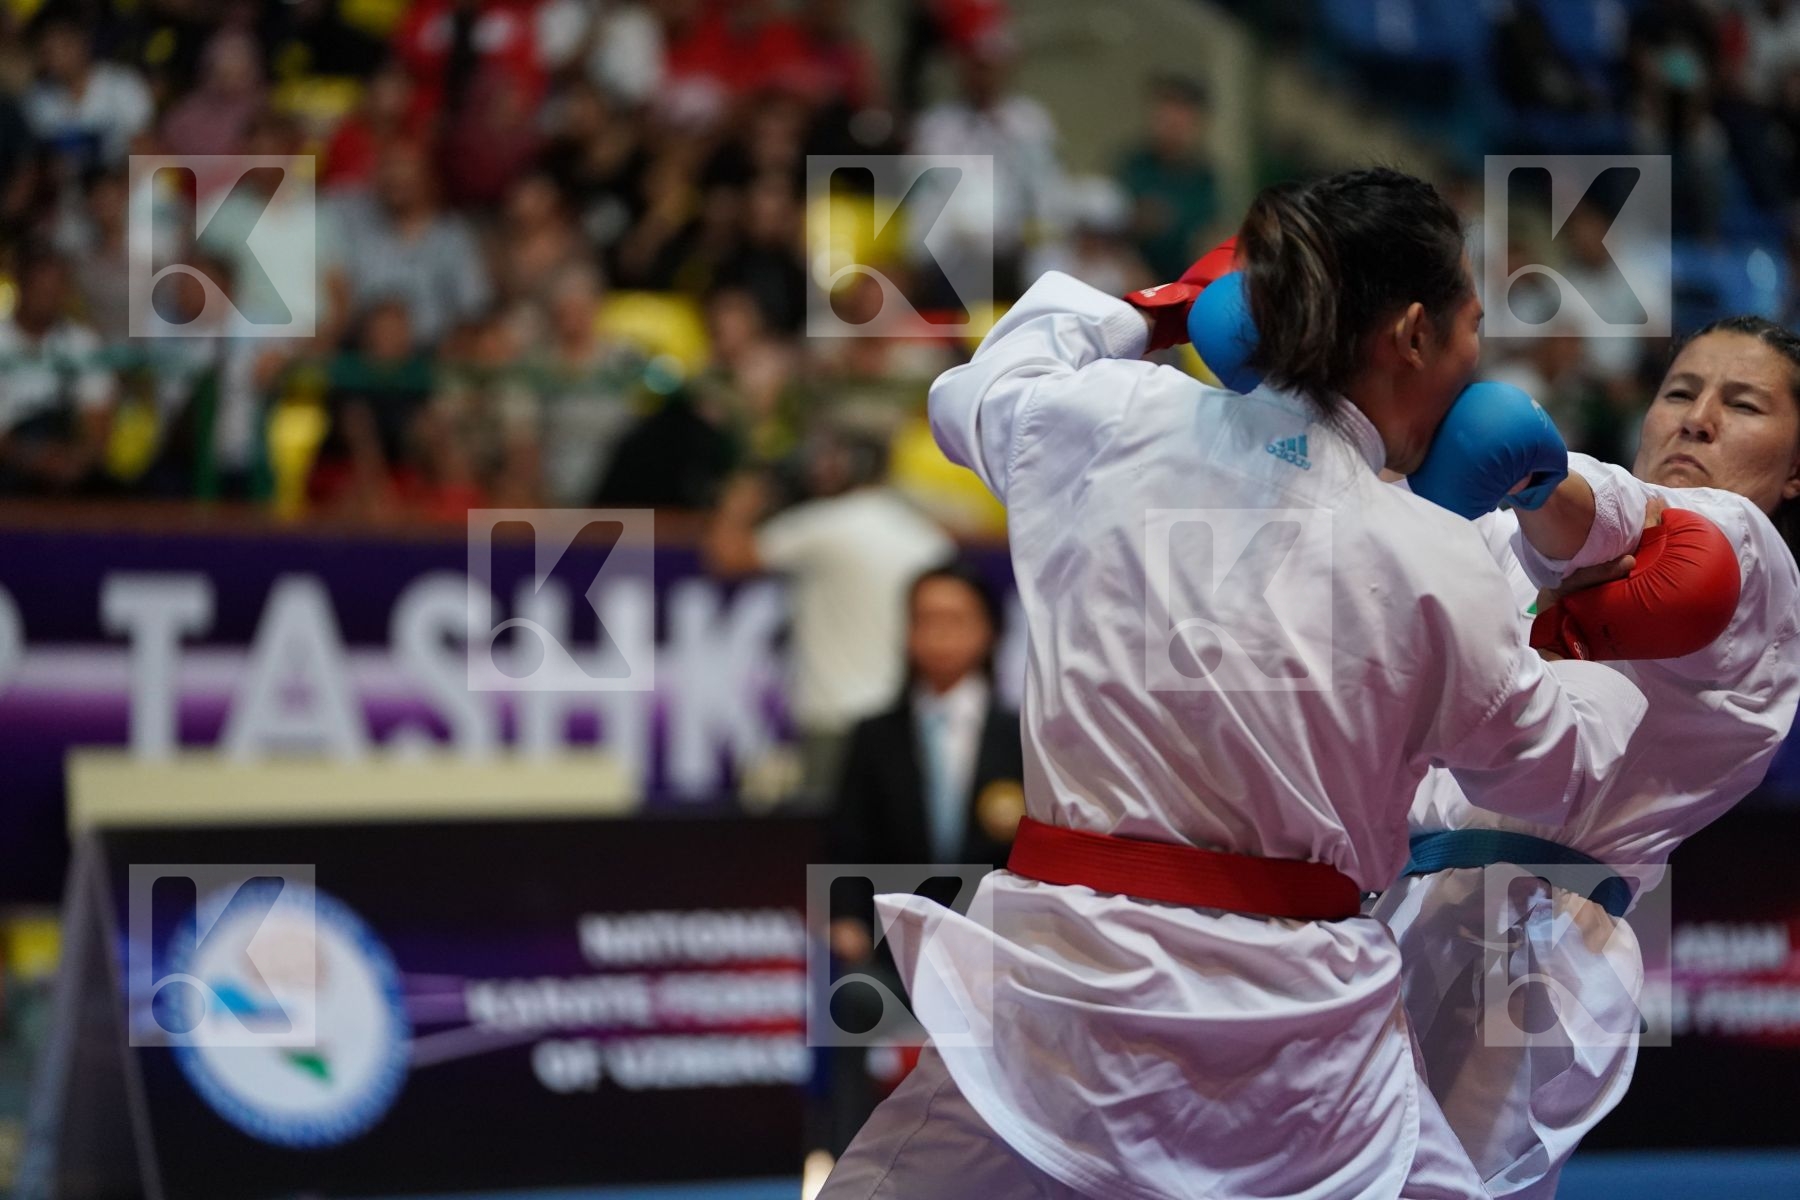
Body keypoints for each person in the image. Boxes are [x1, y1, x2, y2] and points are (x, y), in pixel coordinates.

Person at [818, 167, 1649, 1200]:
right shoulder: (1442, 561)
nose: (1480, 358)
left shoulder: (1108, 421)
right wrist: (1583, 603)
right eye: (1475, 325)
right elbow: (1558, 774)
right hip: (1303, 1052)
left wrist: (1162, 312)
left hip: (1065, 1004)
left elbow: (972, 389)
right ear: (1416, 333)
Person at [1381, 315, 1800, 1199]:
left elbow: (1655, 537)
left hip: (1534, 937)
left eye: (1744, 404)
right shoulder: (1502, 536)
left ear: (1797, 469)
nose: (1697, 419)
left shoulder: (1754, 569)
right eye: (1680, 392)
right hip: (1384, 903)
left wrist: (1536, 470)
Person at [703, 423, 954, 799]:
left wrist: (739, 502)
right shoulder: (928, 537)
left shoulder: (824, 525)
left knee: (832, 845)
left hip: (834, 718)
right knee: (898, 847)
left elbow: (727, 556)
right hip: (907, 717)